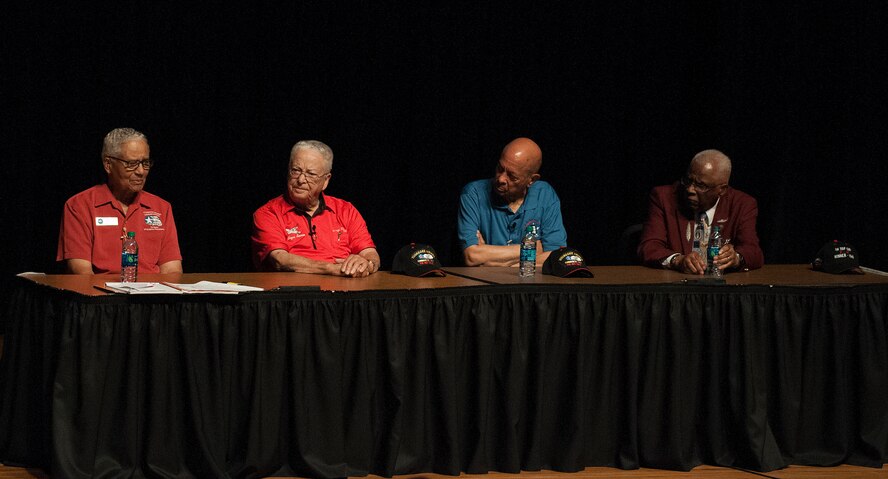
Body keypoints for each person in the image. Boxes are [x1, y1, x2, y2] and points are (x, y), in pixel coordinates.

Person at [57, 128, 183, 274]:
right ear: (108, 164)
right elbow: (81, 272)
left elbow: (172, 270)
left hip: (151, 294)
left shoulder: (161, 208)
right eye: (131, 164)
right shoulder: (80, 205)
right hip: (101, 293)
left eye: (145, 163)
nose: (141, 171)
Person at [251, 140, 380, 277]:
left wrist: (366, 264)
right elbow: (280, 260)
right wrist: (334, 269)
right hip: (293, 292)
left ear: (326, 181)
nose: (300, 180)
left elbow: (370, 254)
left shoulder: (346, 210)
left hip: (345, 291)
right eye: (295, 170)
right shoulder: (268, 213)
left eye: (310, 174)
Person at [638, 149, 763, 273]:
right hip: (676, 284)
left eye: (701, 185)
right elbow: (649, 246)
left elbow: (753, 251)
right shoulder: (664, 197)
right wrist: (678, 260)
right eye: (688, 180)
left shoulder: (742, 204)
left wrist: (735, 258)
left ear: (722, 190)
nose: (690, 189)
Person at [457, 137, 568, 266]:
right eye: (500, 168)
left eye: (512, 176)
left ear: (531, 180)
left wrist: (493, 261)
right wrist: (535, 248)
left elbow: (556, 255)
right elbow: (472, 256)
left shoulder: (545, 194)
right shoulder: (473, 193)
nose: (501, 179)